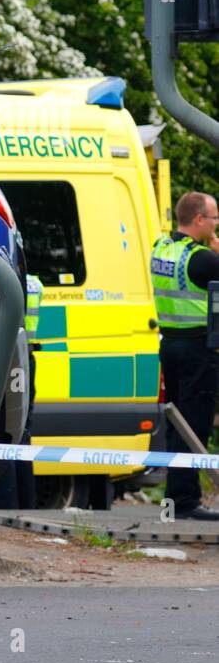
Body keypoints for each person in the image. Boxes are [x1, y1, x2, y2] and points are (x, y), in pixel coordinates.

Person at [151, 190, 219, 520]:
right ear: (199, 220)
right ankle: (186, 502)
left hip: (169, 346)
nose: (217, 223)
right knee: (194, 425)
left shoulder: (161, 248)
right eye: (215, 218)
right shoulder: (202, 258)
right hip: (196, 352)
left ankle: (174, 502)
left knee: (177, 424)